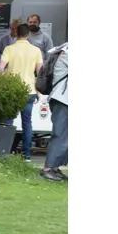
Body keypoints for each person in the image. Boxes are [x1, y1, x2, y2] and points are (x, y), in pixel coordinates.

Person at [0, 22, 43, 159]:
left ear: (16, 34)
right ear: (28, 35)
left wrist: (5, 78)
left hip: (12, 89)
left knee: (8, 121)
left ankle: (5, 152)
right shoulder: (36, 50)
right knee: (27, 122)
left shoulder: (9, 49)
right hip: (29, 90)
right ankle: (27, 155)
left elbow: (1, 68)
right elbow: (40, 72)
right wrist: (38, 90)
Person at [41, 43, 68, 181]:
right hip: (62, 99)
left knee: (65, 135)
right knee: (60, 134)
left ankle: (55, 168)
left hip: (63, 98)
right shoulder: (68, 51)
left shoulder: (63, 49)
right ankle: (48, 168)